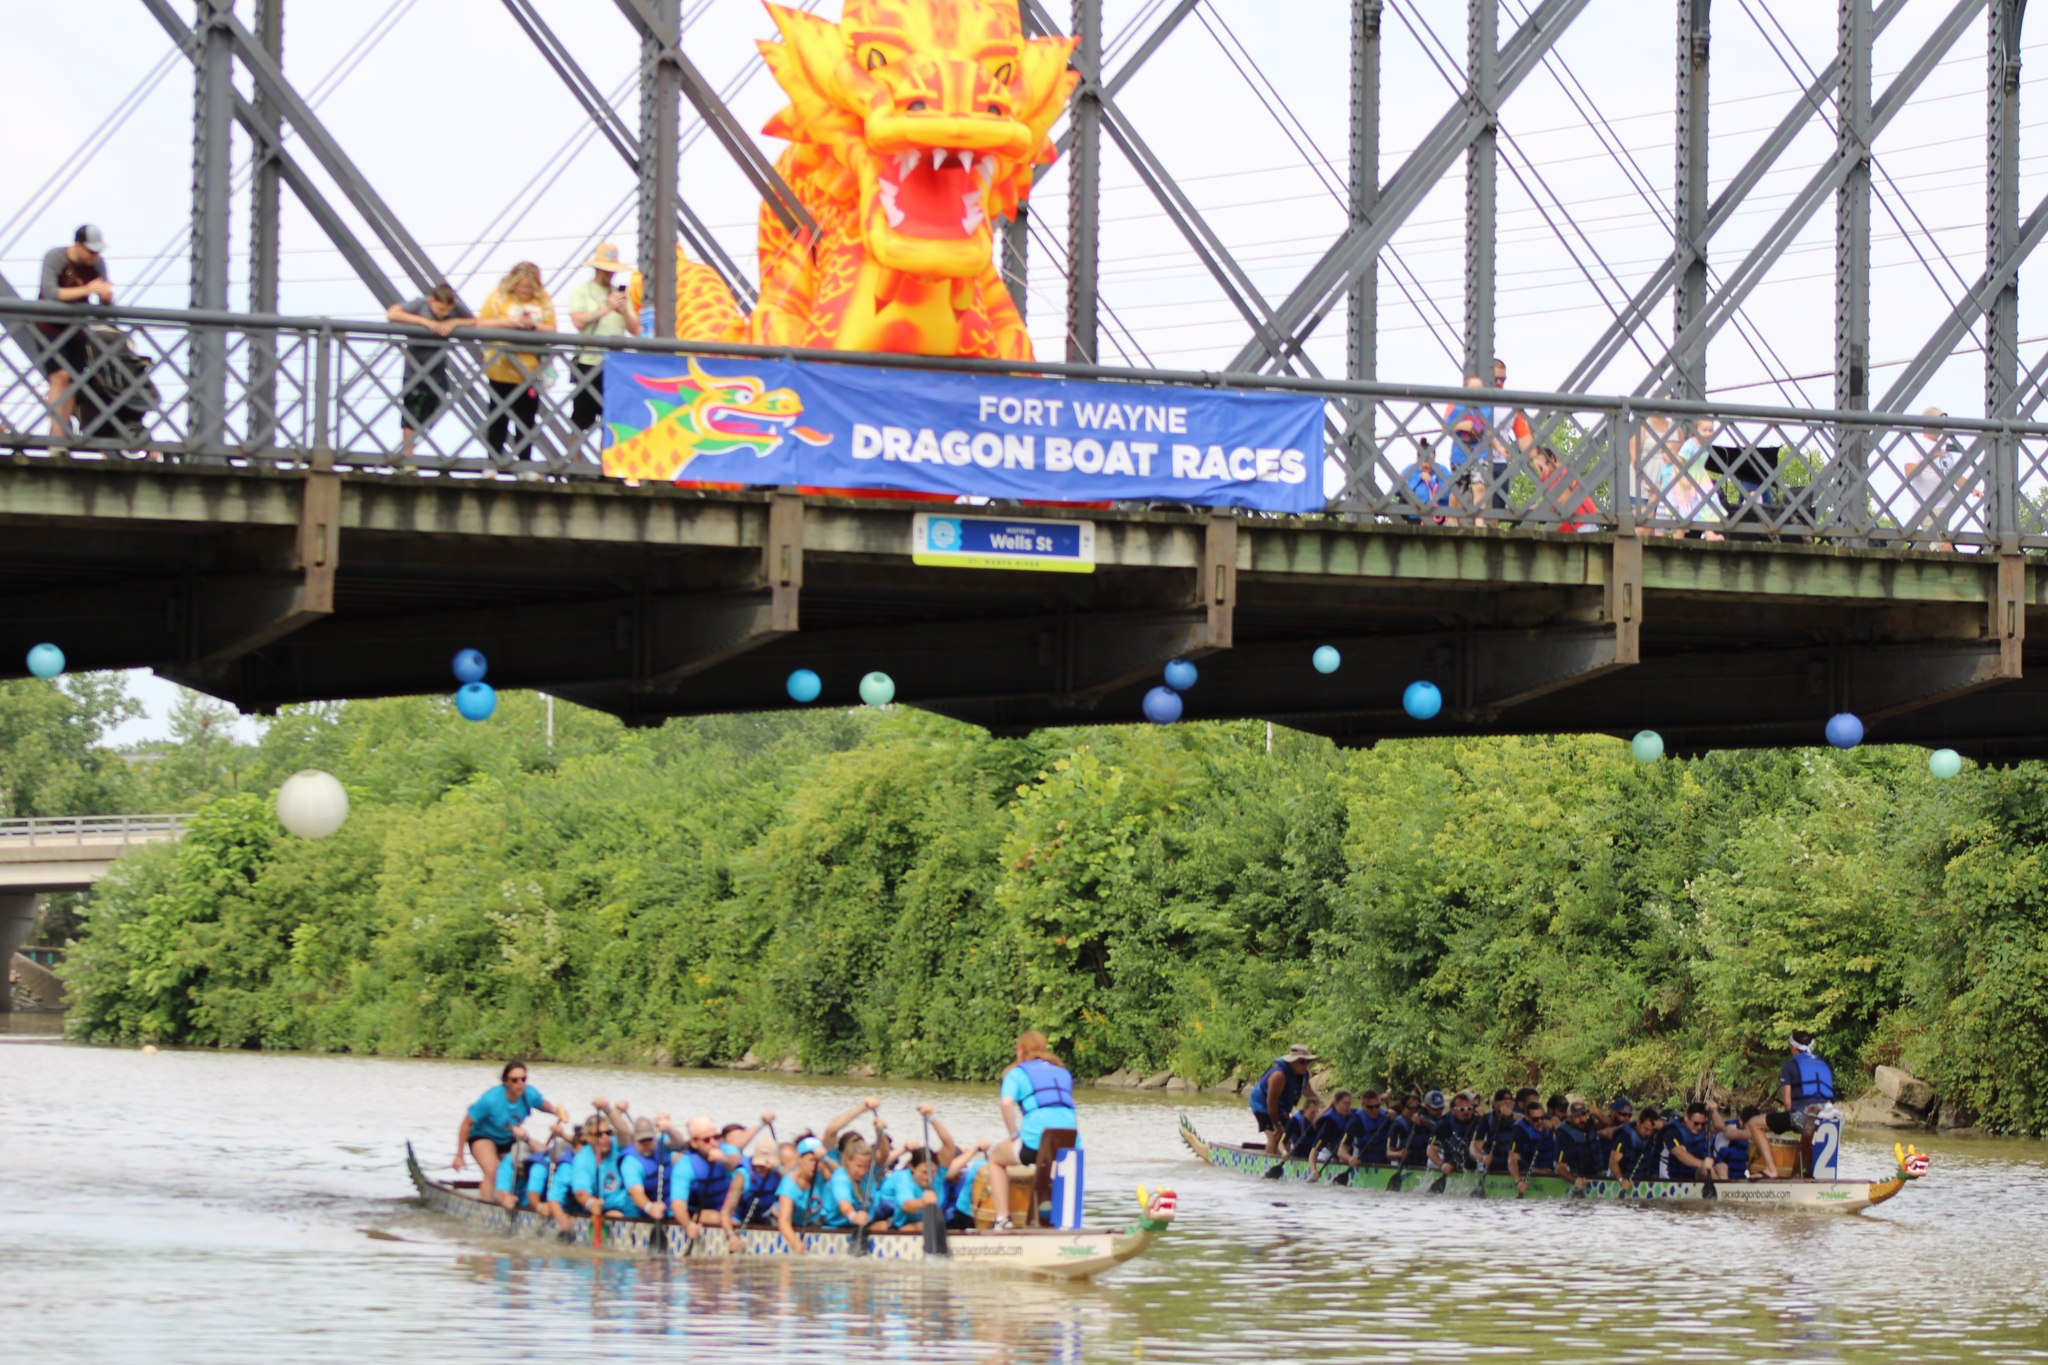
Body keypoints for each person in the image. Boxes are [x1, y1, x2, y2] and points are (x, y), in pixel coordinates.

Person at [987, 1031, 1076, 1230]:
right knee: (1049, 1165)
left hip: (1036, 1142)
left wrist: (1013, 1134)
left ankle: (1002, 1219)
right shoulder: (1062, 1071)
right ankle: (1061, 1222)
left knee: (995, 1158)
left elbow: (1006, 1103)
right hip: (1070, 1142)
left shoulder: (1016, 1073)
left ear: (1020, 1050)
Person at [37, 225, 114, 441]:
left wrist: (106, 298)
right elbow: (50, 292)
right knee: (60, 377)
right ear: (78, 245)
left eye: (97, 251)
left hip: (77, 331)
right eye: (90, 251)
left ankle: (63, 435)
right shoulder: (55, 257)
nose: (94, 256)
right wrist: (88, 290)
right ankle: (58, 438)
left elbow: (105, 308)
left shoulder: (98, 264)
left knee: (73, 383)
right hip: (49, 328)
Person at [385, 283, 477, 461]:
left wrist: (454, 322)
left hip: (437, 370)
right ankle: (407, 454)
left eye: (447, 310)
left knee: (434, 407)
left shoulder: (454, 309)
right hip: (415, 368)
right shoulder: (420, 305)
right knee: (412, 410)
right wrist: (425, 322)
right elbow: (393, 313)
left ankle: (409, 449)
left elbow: (474, 321)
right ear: (431, 300)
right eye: (440, 308)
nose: (443, 313)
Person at [477, 261, 555, 471]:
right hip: (500, 366)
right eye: (522, 286)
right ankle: (492, 463)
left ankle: (524, 467)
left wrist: (534, 325)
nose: (525, 291)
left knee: (527, 419)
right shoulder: (499, 296)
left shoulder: (543, 299)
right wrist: (510, 323)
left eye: (529, 287)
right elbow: (481, 323)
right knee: (497, 416)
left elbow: (552, 329)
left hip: (530, 369)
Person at [564, 242, 639, 447]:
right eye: (606, 270)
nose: (610, 275)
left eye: (613, 271)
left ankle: (610, 468)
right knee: (582, 417)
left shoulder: (621, 295)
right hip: (589, 361)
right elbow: (578, 321)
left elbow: (635, 329)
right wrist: (606, 309)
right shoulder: (582, 291)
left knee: (614, 418)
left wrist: (623, 310)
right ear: (596, 268)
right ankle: (573, 463)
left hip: (615, 364)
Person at [455, 1061, 569, 1196]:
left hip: (508, 1138)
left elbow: (542, 1104)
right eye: (515, 1080)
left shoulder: (529, 1094)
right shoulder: (490, 1100)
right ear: (506, 1082)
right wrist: (459, 1155)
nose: (520, 1083)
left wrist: (556, 1111)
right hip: (482, 1136)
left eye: (523, 1079)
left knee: (524, 1168)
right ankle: (485, 1206)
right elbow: (466, 1124)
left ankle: (517, 1200)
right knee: (493, 1171)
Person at [1904, 407, 1971, 550]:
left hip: (1946, 507)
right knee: (1943, 547)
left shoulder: (1945, 447)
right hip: (1929, 506)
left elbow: (1953, 475)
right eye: (1938, 421)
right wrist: (1931, 456)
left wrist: (1971, 488)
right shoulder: (1918, 444)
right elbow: (1909, 472)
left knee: (1937, 546)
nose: (1942, 425)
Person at [1248, 1044, 1319, 1156]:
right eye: (1301, 1062)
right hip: (1262, 1104)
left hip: (1281, 1107)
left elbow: (1309, 1093)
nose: (1305, 1065)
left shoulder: (1303, 1074)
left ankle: (1284, 1161)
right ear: (1292, 1062)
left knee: (1287, 1136)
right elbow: (1271, 1102)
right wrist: (1277, 1125)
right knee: (1274, 1136)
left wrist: (1325, 1107)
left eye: (1307, 1062)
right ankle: (1269, 1163)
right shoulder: (1278, 1075)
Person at [773, 1136, 828, 1252]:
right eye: (811, 1160)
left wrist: (825, 1159)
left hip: (813, 1223)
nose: (815, 1165)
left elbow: (841, 1175)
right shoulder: (789, 1183)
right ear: (800, 1159)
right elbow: (784, 1221)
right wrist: (794, 1242)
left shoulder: (822, 1173)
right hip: (788, 1223)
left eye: (818, 1161)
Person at [878, 1146, 949, 1229]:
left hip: (919, 1222)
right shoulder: (904, 1179)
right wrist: (923, 1203)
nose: (928, 1177)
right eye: (924, 1172)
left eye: (932, 1172)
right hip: (895, 1221)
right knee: (921, 1226)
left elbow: (949, 1146)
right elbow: (907, 1206)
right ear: (912, 1168)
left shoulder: (938, 1176)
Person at [728, 1139, 785, 1227]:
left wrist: (779, 1168)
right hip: (739, 1218)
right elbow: (728, 1209)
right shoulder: (742, 1176)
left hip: (764, 1217)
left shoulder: (778, 1174)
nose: (759, 1169)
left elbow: (794, 1186)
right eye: (757, 1165)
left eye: (763, 1166)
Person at [945, 1138, 996, 1230]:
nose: (960, 1172)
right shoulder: (940, 1178)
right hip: (950, 1217)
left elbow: (987, 1191)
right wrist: (975, 1149)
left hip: (967, 1214)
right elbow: (948, 1173)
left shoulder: (971, 1174)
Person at [1427, 1092, 1481, 1176]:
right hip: (1450, 1167)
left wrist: (1484, 1119)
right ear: (1453, 1110)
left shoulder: (1478, 1119)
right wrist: (1442, 1165)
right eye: (1462, 1110)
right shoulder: (1444, 1123)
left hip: (1474, 1168)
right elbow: (1430, 1150)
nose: (1466, 1112)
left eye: (1469, 1109)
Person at [1662, 1102, 1719, 1182]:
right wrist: (1703, 1164)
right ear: (1686, 1118)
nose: (1699, 1127)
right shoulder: (1672, 1132)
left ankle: (1726, 1191)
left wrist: (1714, 1111)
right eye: (1696, 1123)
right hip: (1677, 1177)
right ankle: (1721, 1191)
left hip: (1696, 1173)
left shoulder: (1705, 1129)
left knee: (1721, 1167)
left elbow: (1721, 1128)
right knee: (1705, 1170)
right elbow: (1681, 1155)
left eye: (1702, 1124)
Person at [1611, 1106, 1663, 1189]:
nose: (1648, 1133)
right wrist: (1621, 1180)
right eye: (1645, 1129)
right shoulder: (1624, 1136)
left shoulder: (1652, 1132)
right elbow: (1613, 1162)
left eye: (1651, 1130)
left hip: (1644, 1180)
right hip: (1625, 1181)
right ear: (1638, 1122)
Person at [1554, 1100, 1599, 1190]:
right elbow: (1560, 1168)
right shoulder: (1563, 1135)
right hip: (1575, 1175)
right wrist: (1575, 1180)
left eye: (1583, 1115)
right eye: (1577, 1116)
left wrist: (1597, 1113)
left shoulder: (1590, 1125)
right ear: (1570, 1118)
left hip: (1595, 1174)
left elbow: (1608, 1123)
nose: (1582, 1119)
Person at [1472, 1089, 1519, 1175]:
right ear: (1495, 1103)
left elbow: (1528, 1121)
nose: (1508, 1105)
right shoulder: (1486, 1119)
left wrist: (1511, 1116)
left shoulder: (1520, 1119)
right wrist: (1482, 1157)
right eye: (1504, 1102)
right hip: (1492, 1162)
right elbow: (1474, 1148)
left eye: (1510, 1103)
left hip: (1515, 1162)